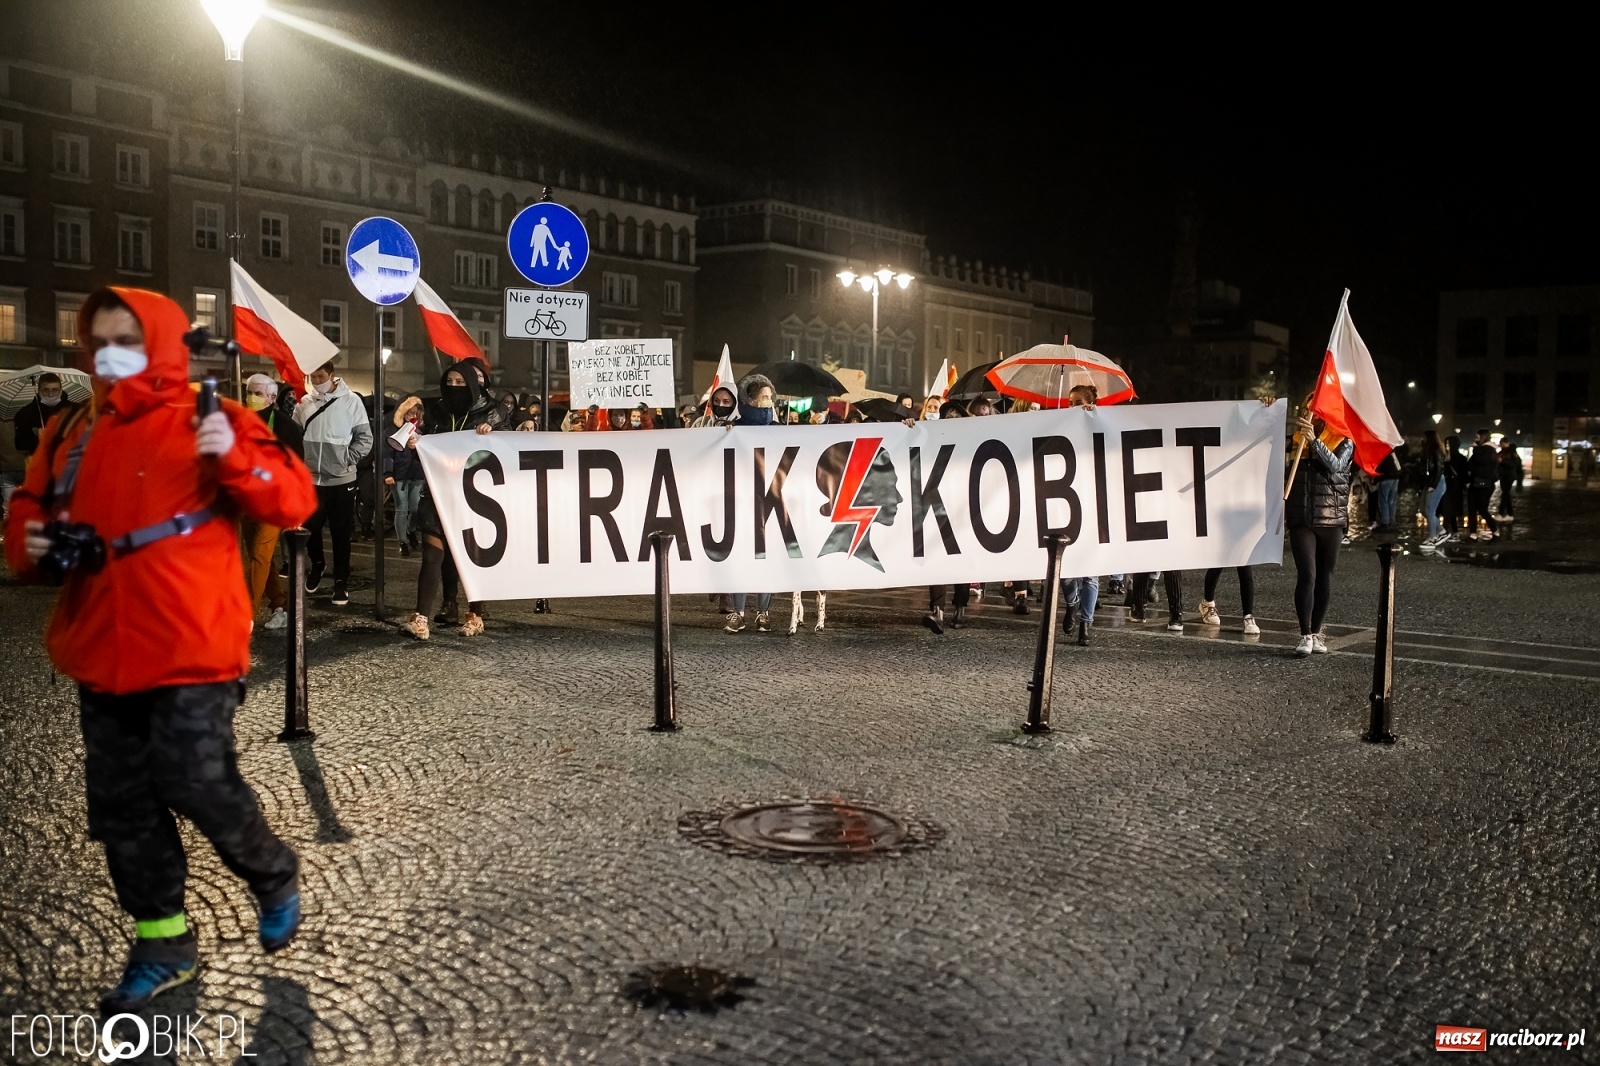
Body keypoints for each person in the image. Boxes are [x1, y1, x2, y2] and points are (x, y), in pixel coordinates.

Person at [4, 287, 317, 1011]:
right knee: (123, 808)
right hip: (100, 647)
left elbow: (291, 499)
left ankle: (270, 870)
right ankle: (163, 942)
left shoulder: (215, 416)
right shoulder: (73, 427)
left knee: (194, 779)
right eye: (102, 340)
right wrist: (32, 544)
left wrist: (233, 457)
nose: (113, 353)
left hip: (192, 643)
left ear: (163, 344)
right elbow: (29, 511)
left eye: (130, 339)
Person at [401, 364, 497, 639]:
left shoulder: (491, 412)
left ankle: (475, 614)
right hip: (438, 493)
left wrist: (491, 434)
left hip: (474, 497)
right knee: (432, 556)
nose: (454, 386)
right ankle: (420, 618)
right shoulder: (436, 412)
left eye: (460, 382)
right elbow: (428, 447)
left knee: (473, 557)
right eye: (450, 381)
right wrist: (417, 445)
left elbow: (504, 448)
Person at [294, 359, 372, 606]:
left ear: (331, 375)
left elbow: (365, 438)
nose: (317, 381)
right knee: (310, 527)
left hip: (341, 479)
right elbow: (295, 436)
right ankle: (318, 564)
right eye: (313, 377)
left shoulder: (351, 401)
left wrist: (347, 460)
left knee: (341, 531)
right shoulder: (304, 403)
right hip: (311, 478)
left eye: (321, 376)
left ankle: (341, 580)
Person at [1285, 398, 1353, 657]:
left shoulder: (1345, 438)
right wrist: (1265, 408)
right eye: (1309, 407)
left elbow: (1336, 466)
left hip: (1331, 519)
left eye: (1318, 407)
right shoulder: (1295, 440)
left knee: (1324, 577)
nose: (1312, 411)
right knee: (1307, 575)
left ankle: (1316, 632)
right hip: (1302, 517)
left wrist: (1314, 441)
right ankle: (1304, 634)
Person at [241, 374, 303, 629]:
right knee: (261, 559)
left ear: (272, 397)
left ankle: (248, 615)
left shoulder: (287, 427)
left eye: (257, 393)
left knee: (260, 556)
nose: (251, 398)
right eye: (249, 392)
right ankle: (280, 604)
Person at [725, 373, 777, 633]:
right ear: (752, 400)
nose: (769, 401)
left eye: (770, 397)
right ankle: (738, 612)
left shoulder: (778, 430)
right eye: (764, 397)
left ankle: (763, 613)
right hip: (742, 501)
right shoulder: (735, 429)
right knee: (741, 556)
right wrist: (724, 434)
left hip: (770, 501)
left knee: (765, 558)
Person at [383, 396, 426, 557]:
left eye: (416, 413)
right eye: (409, 412)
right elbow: (387, 454)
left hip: (416, 475)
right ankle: (402, 541)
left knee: (415, 508)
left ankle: (411, 530)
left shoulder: (420, 431)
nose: (413, 415)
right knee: (401, 508)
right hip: (399, 476)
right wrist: (388, 473)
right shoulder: (391, 431)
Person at [1466, 430, 1501, 541]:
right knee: (1472, 509)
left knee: (1482, 509)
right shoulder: (1481, 450)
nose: (1475, 439)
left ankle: (1495, 531)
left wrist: (1475, 449)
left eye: (1477, 437)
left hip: (1484, 484)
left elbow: (1480, 464)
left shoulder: (1488, 450)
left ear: (1483, 437)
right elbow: (1471, 463)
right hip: (1476, 483)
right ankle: (1473, 534)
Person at [1418, 429, 1448, 550]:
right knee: (1423, 510)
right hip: (1429, 482)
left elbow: (1439, 469)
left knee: (1430, 511)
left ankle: (1432, 538)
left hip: (1436, 482)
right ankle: (1441, 531)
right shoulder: (1427, 451)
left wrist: (1433, 485)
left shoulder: (1436, 451)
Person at [1440, 435, 1469, 541]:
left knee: (1448, 509)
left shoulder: (1460, 458)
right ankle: (1454, 531)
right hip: (1446, 484)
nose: (1447, 446)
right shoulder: (1444, 457)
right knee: (1449, 509)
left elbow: (1463, 473)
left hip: (1455, 486)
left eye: (1449, 443)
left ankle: (1444, 531)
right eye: (1446, 443)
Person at [1371, 443, 1404, 532]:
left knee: (1383, 500)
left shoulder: (1382, 451)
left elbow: (1380, 467)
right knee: (1391, 501)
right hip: (1395, 477)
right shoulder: (1392, 450)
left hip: (1386, 478)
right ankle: (1391, 522)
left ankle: (1385, 522)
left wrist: (1375, 479)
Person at [1497, 440, 1523, 520]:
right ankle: (1509, 514)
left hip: (1509, 476)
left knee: (1505, 494)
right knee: (1506, 495)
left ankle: (1501, 513)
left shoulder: (1512, 452)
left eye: (1503, 444)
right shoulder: (1501, 452)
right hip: (1503, 476)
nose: (1502, 445)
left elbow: (1514, 464)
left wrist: (1502, 461)